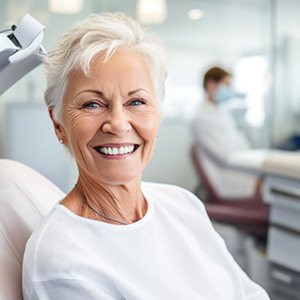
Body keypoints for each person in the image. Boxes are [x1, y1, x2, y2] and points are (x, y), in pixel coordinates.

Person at [22, 13, 269, 299]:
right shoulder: (62, 262)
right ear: (58, 124)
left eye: (137, 101)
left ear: (157, 114)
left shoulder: (183, 205)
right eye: (92, 104)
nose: (118, 123)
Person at [193, 67, 261, 199]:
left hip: (234, 172)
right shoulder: (202, 117)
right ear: (211, 84)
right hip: (224, 179)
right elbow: (225, 156)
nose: (229, 90)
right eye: (227, 85)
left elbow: (241, 144)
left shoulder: (222, 113)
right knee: (272, 186)